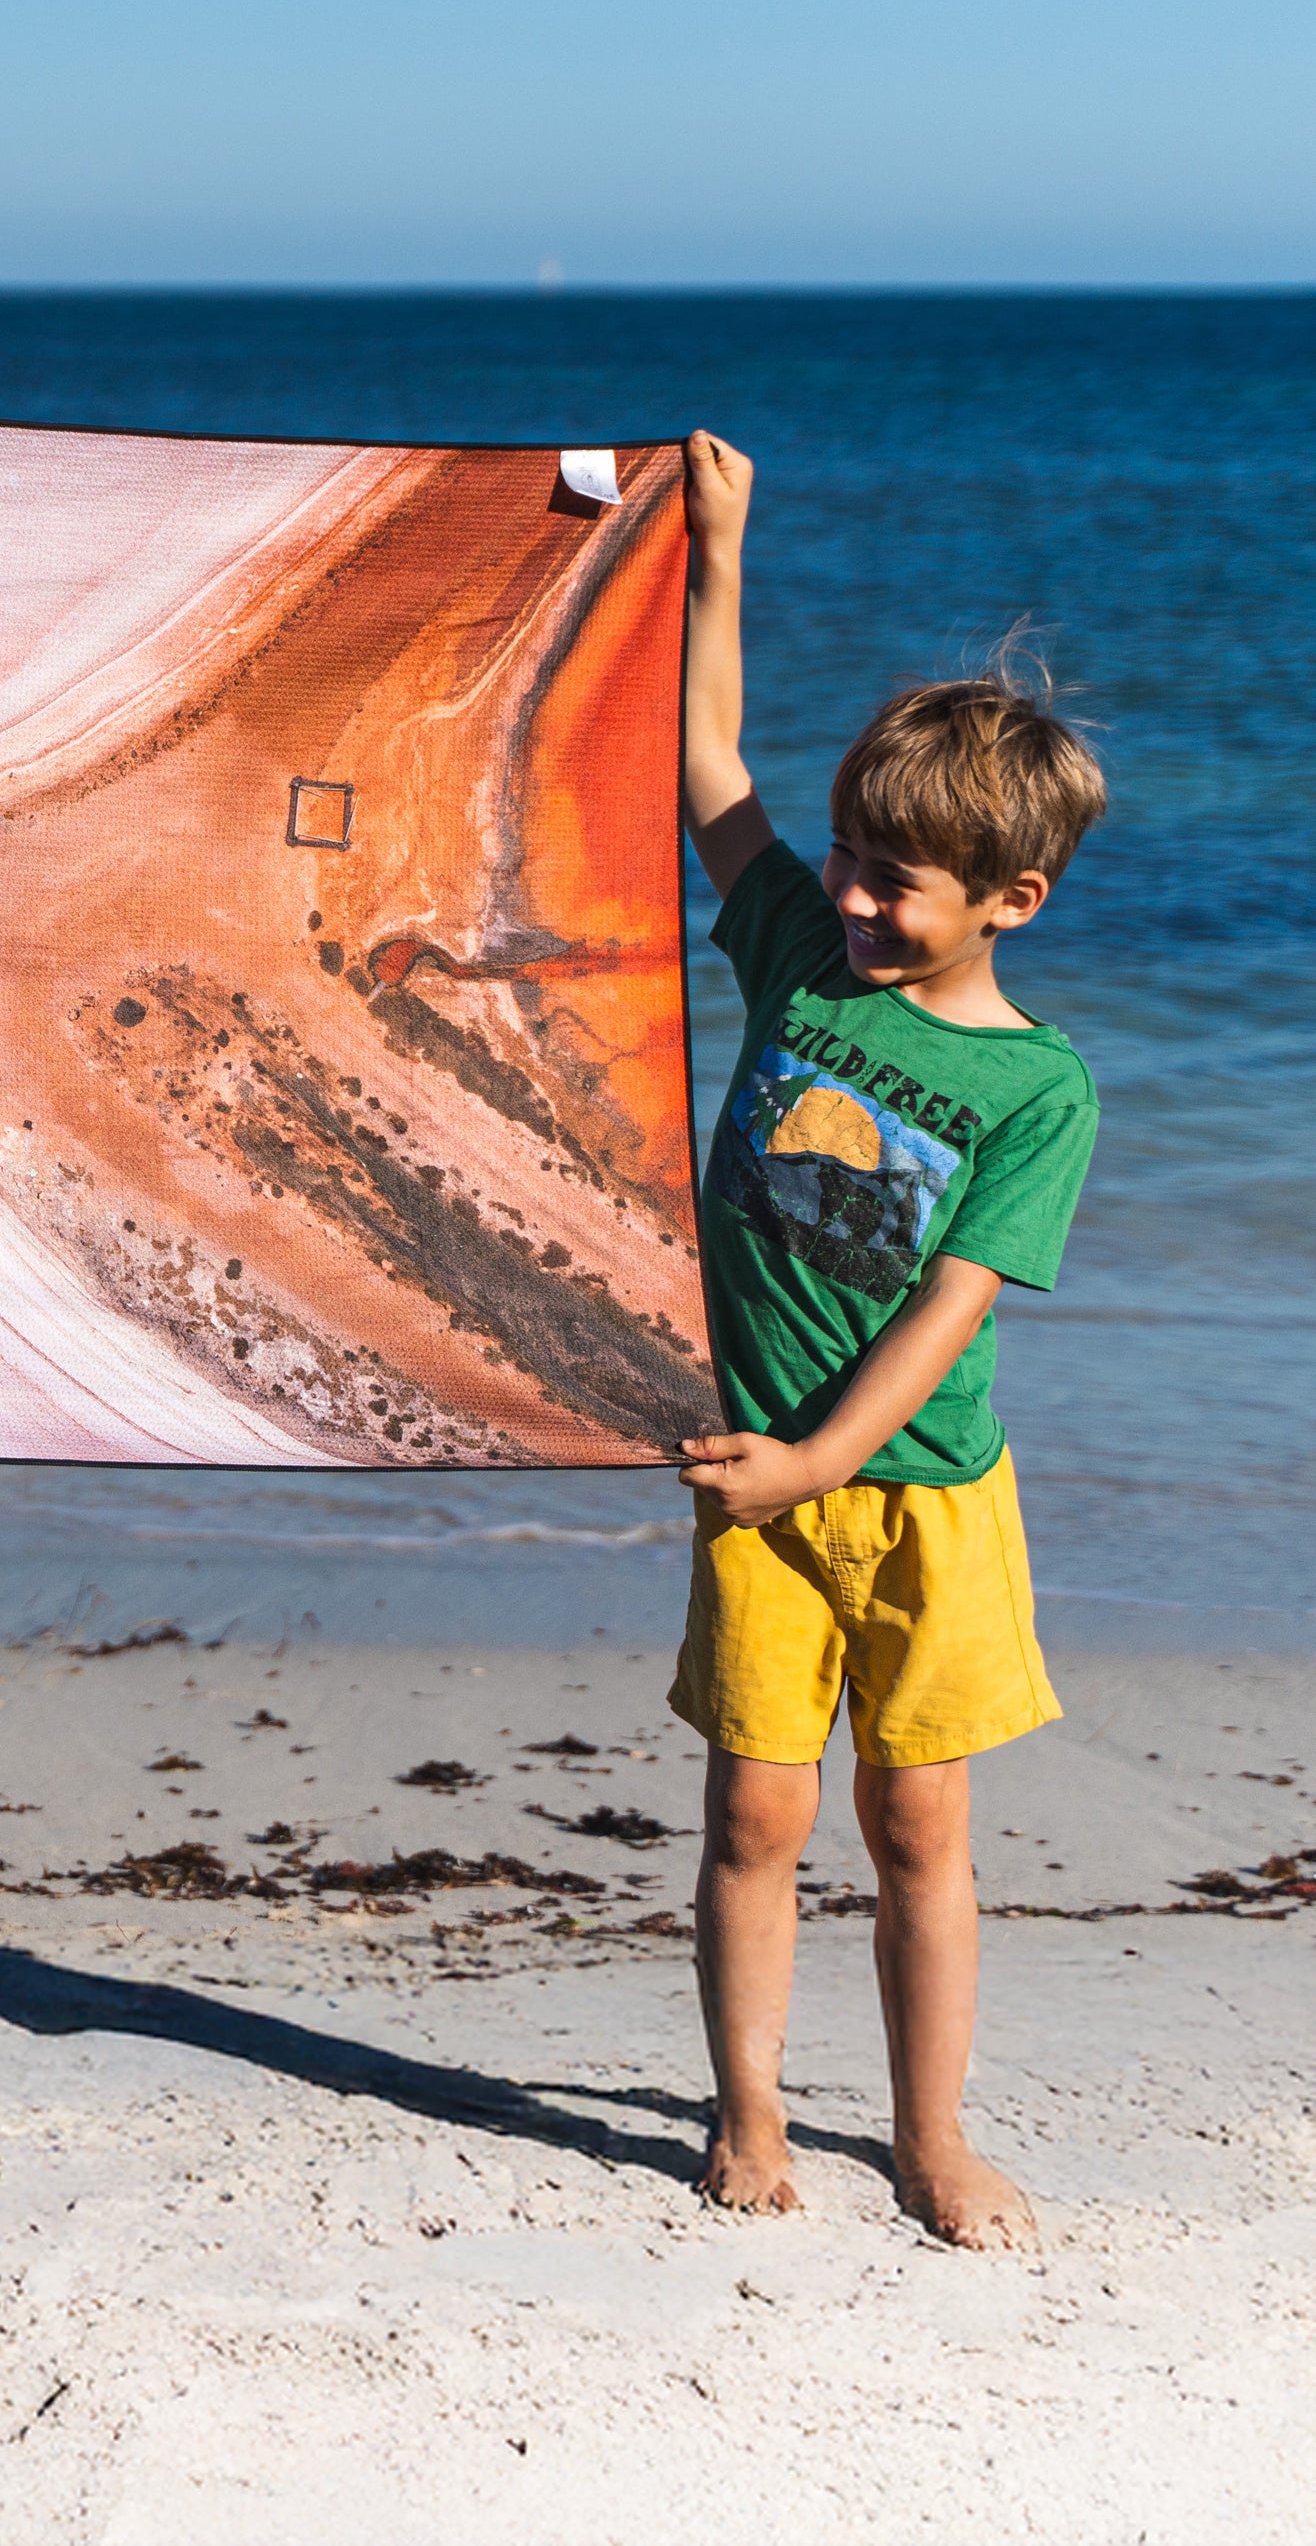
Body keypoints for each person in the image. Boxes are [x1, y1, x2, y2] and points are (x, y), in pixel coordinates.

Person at [671, 430, 1105, 2251]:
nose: (852, 897)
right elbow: (709, 773)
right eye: (849, 856)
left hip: (921, 1497)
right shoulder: (795, 951)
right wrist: (721, 548)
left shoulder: (1038, 1090)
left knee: (919, 1829)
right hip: (758, 1483)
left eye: (896, 882)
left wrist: (821, 1462)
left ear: (1010, 902)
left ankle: (931, 2136)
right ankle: (751, 2108)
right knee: (757, 1819)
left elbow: (948, 1311)